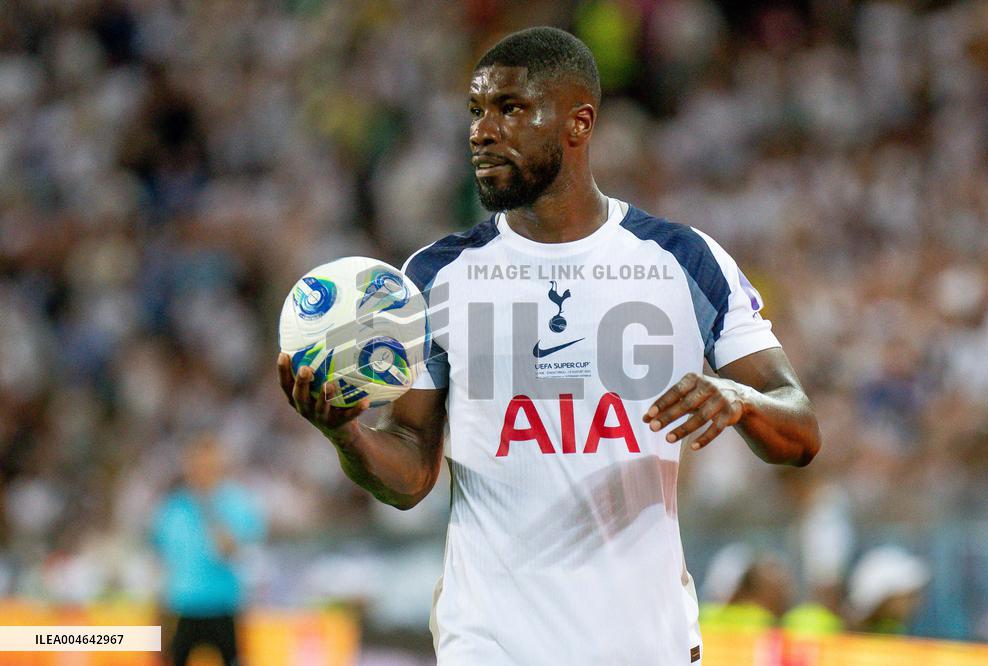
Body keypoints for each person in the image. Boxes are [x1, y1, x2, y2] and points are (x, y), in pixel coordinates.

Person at [277, 26, 820, 665]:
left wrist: (740, 399)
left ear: (578, 123)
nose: (482, 131)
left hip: (647, 645)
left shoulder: (682, 260)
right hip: (491, 644)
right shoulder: (434, 279)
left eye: (510, 109)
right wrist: (348, 434)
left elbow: (801, 430)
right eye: (476, 111)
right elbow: (412, 475)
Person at [151, 435, 266, 666]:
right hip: (182, 606)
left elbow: (231, 552)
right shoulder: (173, 508)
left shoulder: (236, 502)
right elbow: (162, 563)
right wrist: (159, 612)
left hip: (223, 605)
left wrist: (208, 507)